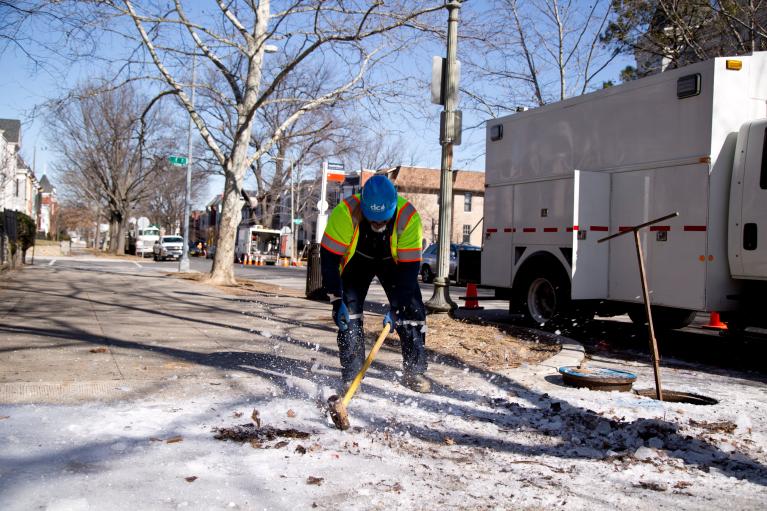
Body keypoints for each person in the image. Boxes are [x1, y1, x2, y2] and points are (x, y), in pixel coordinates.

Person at [320, 174, 431, 393]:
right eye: (373, 219)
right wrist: (336, 299)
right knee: (348, 314)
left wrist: (398, 306)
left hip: (394, 263)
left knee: (412, 309)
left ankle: (415, 371)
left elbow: (410, 270)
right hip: (357, 262)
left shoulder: (408, 217)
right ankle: (352, 376)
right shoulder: (345, 213)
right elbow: (329, 259)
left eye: (383, 219)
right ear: (363, 205)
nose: (378, 224)